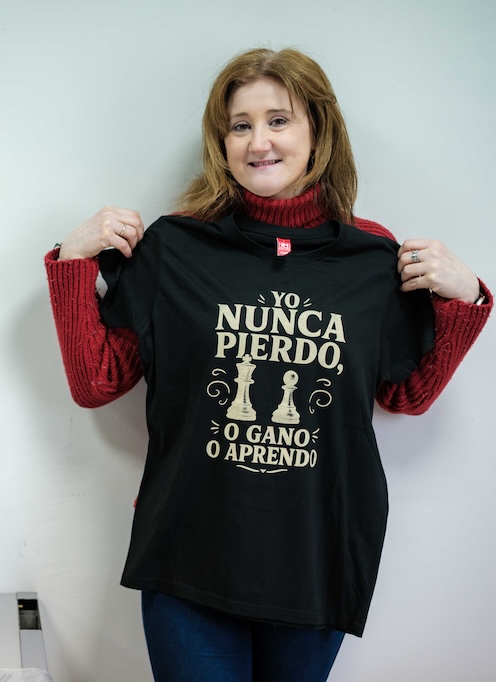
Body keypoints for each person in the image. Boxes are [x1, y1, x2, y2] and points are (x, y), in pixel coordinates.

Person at [45, 47, 490, 682]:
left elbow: (407, 395)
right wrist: (71, 265)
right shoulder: (176, 246)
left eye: (279, 120)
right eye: (240, 124)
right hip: (187, 554)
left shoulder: (372, 259)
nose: (259, 141)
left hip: (317, 554)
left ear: (318, 131)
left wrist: (466, 299)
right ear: (220, 140)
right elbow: (95, 383)